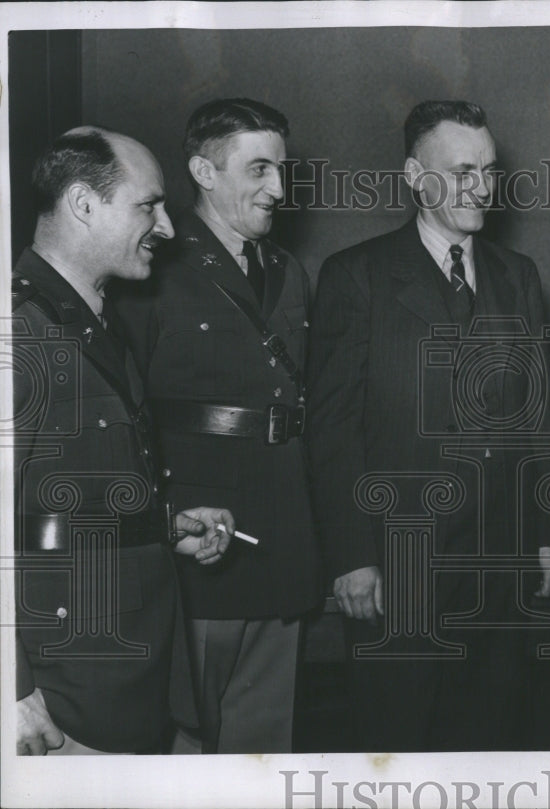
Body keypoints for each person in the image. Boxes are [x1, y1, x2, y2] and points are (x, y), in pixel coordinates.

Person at [307, 100, 550, 751]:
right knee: (398, 742)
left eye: (488, 169)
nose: (480, 185)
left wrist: (546, 533)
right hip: (399, 566)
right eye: (461, 171)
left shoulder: (518, 276)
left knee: (492, 743)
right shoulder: (355, 277)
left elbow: (537, 419)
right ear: (416, 177)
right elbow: (332, 429)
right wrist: (354, 557)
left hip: (500, 570)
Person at [12, 127, 233, 755]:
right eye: (148, 205)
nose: (166, 226)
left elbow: (63, 499)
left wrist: (160, 526)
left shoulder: (94, 321)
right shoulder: (22, 333)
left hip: (130, 675)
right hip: (68, 691)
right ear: (84, 205)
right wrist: (12, 688)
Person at [113, 99, 321, 754]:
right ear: (203, 169)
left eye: (281, 171)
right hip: (197, 549)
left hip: (280, 541)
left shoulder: (290, 273)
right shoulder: (153, 270)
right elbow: (122, 414)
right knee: (186, 747)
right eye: (258, 170)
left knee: (262, 749)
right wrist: (164, 516)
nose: (278, 190)